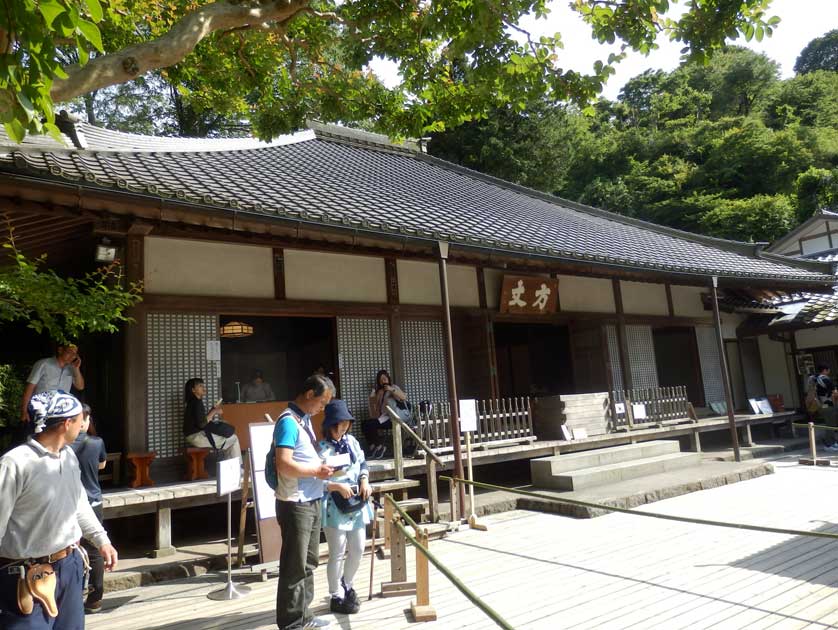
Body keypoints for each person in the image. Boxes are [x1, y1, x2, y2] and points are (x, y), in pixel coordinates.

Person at [0, 390, 118, 629]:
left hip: (69, 563)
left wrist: (101, 540)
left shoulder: (69, 457)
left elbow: (79, 505)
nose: (84, 423)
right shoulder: (15, 463)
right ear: (67, 424)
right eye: (79, 418)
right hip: (25, 571)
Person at [272, 374, 336, 630]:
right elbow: (283, 463)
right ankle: (291, 623)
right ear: (309, 394)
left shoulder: (304, 420)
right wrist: (316, 472)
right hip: (295, 501)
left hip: (311, 498)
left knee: (308, 561)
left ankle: (304, 615)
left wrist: (322, 468)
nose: (322, 409)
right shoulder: (288, 422)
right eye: (321, 402)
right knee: (294, 563)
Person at [318, 399, 372, 615]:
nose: (341, 428)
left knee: (358, 548)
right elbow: (316, 479)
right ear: (329, 425)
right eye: (337, 424)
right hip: (334, 504)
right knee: (337, 552)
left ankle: (347, 583)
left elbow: (362, 463)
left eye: (345, 423)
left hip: (356, 502)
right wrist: (336, 486)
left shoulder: (352, 442)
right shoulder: (321, 448)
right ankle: (335, 593)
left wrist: (365, 480)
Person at [69, 404, 108, 614]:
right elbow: (102, 466)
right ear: (83, 420)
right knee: (95, 551)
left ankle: (70, 596)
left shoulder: (62, 446)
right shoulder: (96, 442)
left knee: (68, 549)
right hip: (93, 499)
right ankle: (95, 598)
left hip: (68, 503)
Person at [20, 344, 85, 423]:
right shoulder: (43, 364)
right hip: (41, 408)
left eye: (75, 354)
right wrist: (24, 411)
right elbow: (30, 388)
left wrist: (76, 369)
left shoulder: (72, 368)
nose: (72, 356)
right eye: (69, 352)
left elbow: (80, 386)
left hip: (62, 410)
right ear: (60, 350)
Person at [183, 378, 241, 461]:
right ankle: (236, 467)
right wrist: (214, 411)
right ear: (193, 390)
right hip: (196, 437)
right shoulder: (196, 403)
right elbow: (202, 424)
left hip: (194, 436)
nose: (203, 387)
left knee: (230, 439)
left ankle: (231, 466)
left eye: (203, 385)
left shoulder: (193, 402)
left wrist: (212, 410)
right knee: (233, 439)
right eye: (200, 386)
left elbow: (201, 420)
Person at [363, 369, 409, 459]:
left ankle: (379, 447)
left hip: (393, 417)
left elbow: (403, 397)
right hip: (382, 417)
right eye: (380, 380)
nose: (383, 381)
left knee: (370, 425)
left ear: (388, 378)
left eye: (384, 378)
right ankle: (375, 447)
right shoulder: (379, 392)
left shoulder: (393, 387)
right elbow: (374, 410)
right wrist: (372, 398)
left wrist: (391, 389)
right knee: (365, 424)